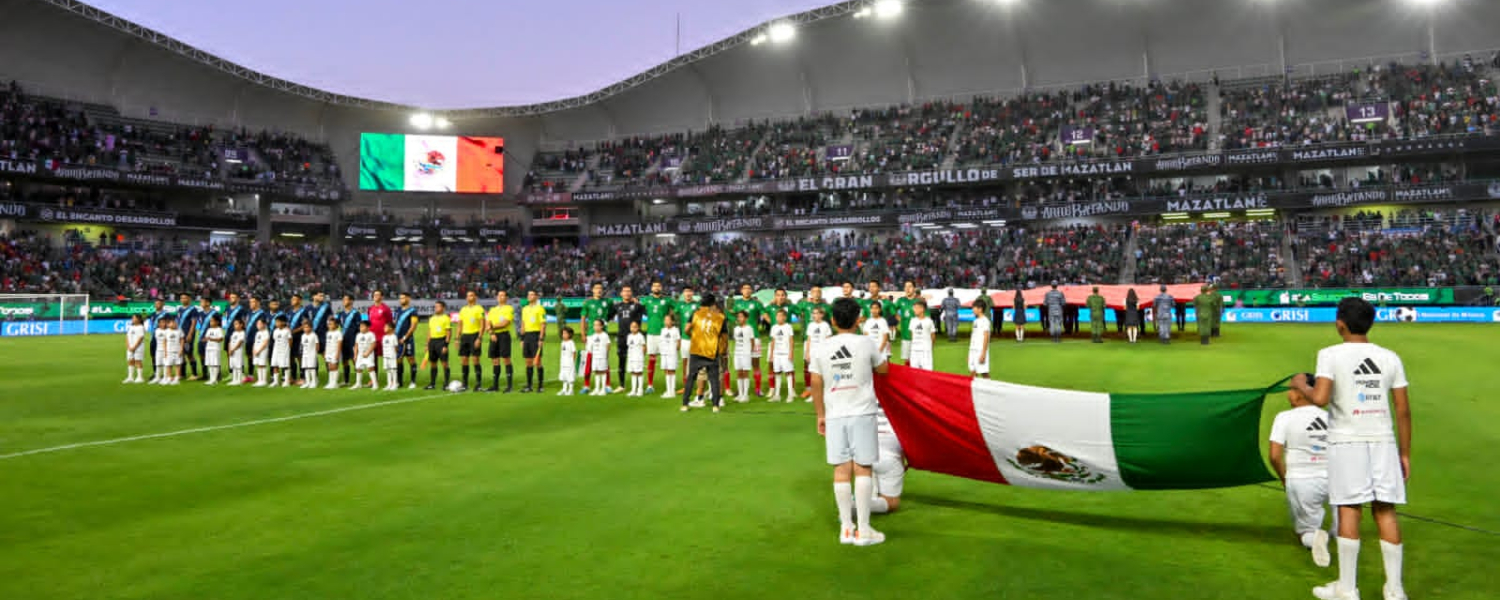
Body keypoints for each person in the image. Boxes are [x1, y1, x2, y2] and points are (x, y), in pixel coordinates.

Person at [1290, 298, 1411, 600]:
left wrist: (1300, 384)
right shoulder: (1389, 357)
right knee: (1385, 511)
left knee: (1349, 509)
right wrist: (1405, 453)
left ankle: (1347, 589)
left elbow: (1319, 398)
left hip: (1347, 441)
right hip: (1382, 440)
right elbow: (1403, 410)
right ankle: (1395, 591)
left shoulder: (1329, 354)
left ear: (1339, 323)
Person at [811, 297, 889, 546]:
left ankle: (846, 529)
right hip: (863, 411)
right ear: (859, 320)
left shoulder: (822, 347)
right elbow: (884, 369)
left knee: (841, 469)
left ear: (832, 321)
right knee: (863, 467)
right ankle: (864, 530)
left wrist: (820, 414)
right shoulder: (865, 343)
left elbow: (815, 381)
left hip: (835, 413)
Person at [1270, 373, 1335, 568]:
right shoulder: (1331, 417)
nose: (1287, 393)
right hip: (1335, 479)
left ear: (1299, 393)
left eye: (1290, 389)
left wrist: (1284, 478)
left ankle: (1314, 537)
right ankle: (1338, 534)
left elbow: (1274, 456)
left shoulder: (1284, 418)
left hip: (1302, 480)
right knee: (1345, 525)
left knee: (1304, 533)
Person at [681, 293, 728, 412]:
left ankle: (685, 404)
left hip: (697, 349)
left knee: (691, 377)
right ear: (713, 304)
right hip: (711, 351)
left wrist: (694, 337)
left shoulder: (696, 314)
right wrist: (722, 351)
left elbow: (686, 329)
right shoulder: (720, 317)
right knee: (714, 379)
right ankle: (715, 405)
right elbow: (724, 337)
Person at [729, 284, 766, 396]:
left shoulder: (757, 303)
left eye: (749, 288)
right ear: (741, 290)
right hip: (741, 338)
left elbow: (765, 315)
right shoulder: (737, 303)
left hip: (754, 337)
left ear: (752, 290)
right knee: (740, 365)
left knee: (755, 364)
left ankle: (758, 389)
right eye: (745, 288)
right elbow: (732, 314)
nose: (747, 290)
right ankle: (741, 389)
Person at [579, 283, 615, 395]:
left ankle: (607, 385)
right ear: (592, 290)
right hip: (591, 334)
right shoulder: (588, 303)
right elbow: (583, 318)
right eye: (596, 288)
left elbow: (614, 310)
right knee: (589, 360)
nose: (599, 290)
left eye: (600, 288)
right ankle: (586, 385)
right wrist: (583, 333)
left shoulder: (607, 302)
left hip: (604, 334)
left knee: (605, 359)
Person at [612, 286, 645, 394]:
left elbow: (647, 312)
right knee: (622, 361)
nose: (627, 293)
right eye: (624, 291)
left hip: (635, 338)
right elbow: (606, 316)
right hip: (622, 337)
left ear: (631, 293)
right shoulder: (617, 306)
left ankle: (638, 387)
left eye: (629, 291)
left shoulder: (637, 306)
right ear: (621, 293)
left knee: (637, 360)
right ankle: (622, 385)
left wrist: (638, 303)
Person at [641, 281, 673, 394]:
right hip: (651, 333)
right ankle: (650, 385)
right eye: (654, 286)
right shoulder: (646, 300)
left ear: (661, 287)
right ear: (651, 287)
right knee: (652, 359)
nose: (656, 287)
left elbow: (677, 308)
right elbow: (636, 304)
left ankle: (669, 385)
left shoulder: (667, 300)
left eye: (659, 285)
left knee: (667, 359)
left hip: (664, 333)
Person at [486, 290, 516, 393]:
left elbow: (505, 323)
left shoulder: (509, 308)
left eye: (503, 295)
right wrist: (491, 333)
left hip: (504, 335)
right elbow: (487, 322)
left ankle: (509, 386)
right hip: (493, 336)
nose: (500, 297)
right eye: (499, 295)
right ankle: (495, 386)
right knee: (495, 360)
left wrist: (491, 327)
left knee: (506, 359)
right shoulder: (492, 310)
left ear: (506, 298)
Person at [800, 306, 832, 400]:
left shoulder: (825, 325)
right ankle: (814, 394)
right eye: (813, 313)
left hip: (822, 353)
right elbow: (809, 340)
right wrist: (807, 352)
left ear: (822, 315)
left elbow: (828, 339)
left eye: (817, 313)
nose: (814, 315)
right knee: (814, 374)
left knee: (823, 374)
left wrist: (827, 352)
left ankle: (825, 394)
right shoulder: (811, 325)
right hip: (813, 353)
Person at [457, 291, 486, 392]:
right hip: (465, 336)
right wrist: (457, 338)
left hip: (474, 335)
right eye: (468, 295)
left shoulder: (479, 309)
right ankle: (465, 384)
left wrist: (479, 338)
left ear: (475, 297)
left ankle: (478, 384)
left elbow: (483, 325)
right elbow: (460, 325)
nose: (469, 297)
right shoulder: (463, 310)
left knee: (475, 359)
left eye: (472, 295)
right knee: (464, 360)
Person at [521, 290, 548, 393]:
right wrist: (522, 338)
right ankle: (529, 385)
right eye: (528, 294)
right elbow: (523, 324)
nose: (529, 296)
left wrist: (541, 338)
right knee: (528, 362)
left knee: (537, 361)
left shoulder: (540, 309)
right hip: (527, 336)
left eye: (532, 294)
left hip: (536, 335)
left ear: (536, 297)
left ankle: (540, 386)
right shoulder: (525, 309)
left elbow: (543, 324)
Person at [423, 301, 452, 390]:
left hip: (441, 341)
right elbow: (429, 332)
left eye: (438, 306)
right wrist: (427, 344)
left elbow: (449, 332)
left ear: (443, 308)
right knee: (433, 363)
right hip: (432, 342)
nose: (436, 308)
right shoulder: (432, 318)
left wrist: (446, 345)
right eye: (435, 306)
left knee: (444, 363)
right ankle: (432, 384)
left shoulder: (446, 318)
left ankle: (446, 383)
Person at [394, 293, 420, 389]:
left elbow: (413, 326)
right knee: (398, 360)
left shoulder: (412, 311)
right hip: (397, 339)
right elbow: (394, 323)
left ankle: (413, 381)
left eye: (403, 298)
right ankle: (399, 382)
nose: (401, 300)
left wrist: (405, 337)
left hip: (407, 340)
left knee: (410, 359)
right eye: (400, 298)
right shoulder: (397, 311)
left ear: (408, 299)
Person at [769, 309, 796, 402]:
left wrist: (791, 352)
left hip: (786, 354)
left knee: (788, 373)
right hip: (777, 354)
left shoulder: (788, 327)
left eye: (781, 316)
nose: (779, 318)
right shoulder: (774, 327)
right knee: (777, 373)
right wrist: (771, 354)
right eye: (777, 316)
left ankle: (790, 395)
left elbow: (791, 340)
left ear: (785, 317)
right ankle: (777, 395)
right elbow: (773, 341)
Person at [893, 282, 920, 365]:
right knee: (907, 360)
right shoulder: (901, 300)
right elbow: (892, 308)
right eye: (905, 287)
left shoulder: (919, 301)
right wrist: (897, 316)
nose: (907, 289)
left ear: (914, 289)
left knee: (919, 360)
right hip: (905, 335)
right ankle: (909, 377)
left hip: (918, 336)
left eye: (910, 286)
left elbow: (926, 317)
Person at [731, 311, 755, 402]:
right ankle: (740, 394)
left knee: (745, 373)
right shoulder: (736, 329)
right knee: (739, 373)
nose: (739, 318)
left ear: (746, 318)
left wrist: (750, 353)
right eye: (738, 317)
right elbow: (736, 340)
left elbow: (752, 341)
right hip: (737, 353)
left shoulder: (749, 328)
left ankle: (745, 395)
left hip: (746, 354)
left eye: (741, 317)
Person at [176, 294, 201, 381]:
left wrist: (190, 334)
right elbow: (178, 321)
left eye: (185, 298)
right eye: (181, 298)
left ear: (189, 299)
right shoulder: (179, 309)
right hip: (180, 334)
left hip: (187, 334)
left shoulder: (193, 309)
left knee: (189, 353)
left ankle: (194, 374)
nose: (183, 299)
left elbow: (194, 322)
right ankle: (182, 374)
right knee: (181, 353)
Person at [337, 295, 361, 384]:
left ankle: (358, 381)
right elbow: (338, 325)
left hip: (353, 340)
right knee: (344, 360)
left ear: (351, 301)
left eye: (345, 299)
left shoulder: (356, 313)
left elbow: (359, 328)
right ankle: (346, 381)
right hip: (344, 340)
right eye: (343, 299)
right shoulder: (341, 314)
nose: (343, 301)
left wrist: (357, 342)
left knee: (354, 360)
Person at [195, 297, 219, 381]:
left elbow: (218, 327)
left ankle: (217, 374)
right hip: (201, 338)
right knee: (202, 356)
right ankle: (205, 373)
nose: (200, 303)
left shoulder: (215, 314)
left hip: (211, 338)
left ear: (208, 303)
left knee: (213, 356)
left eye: (202, 302)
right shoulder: (200, 313)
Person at [907, 301, 935, 370]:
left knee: (927, 371)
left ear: (922, 309)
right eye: (914, 308)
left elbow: (933, 336)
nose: (914, 310)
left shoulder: (929, 321)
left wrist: (930, 347)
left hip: (925, 351)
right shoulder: (912, 321)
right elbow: (911, 335)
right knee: (914, 371)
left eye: (916, 308)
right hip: (914, 350)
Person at [587, 320, 612, 396]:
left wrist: (606, 354)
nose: (596, 327)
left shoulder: (605, 335)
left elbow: (608, 344)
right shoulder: (593, 336)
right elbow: (590, 347)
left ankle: (603, 389)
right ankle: (597, 388)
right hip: (595, 357)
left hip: (602, 356)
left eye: (598, 325)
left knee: (603, 372)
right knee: (597, 372)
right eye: (594, 325)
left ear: (602, 326)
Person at [658, 314, 681, 399]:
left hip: (672, 353)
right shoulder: (663, 330)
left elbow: (678, 341)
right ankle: (668, 390)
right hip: (664, 353)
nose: (666, 322)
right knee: (666, 370)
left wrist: (675, 349)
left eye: (668, 320)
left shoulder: (675, 330)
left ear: (672, 321)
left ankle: (672, 390)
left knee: (672, 370)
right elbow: (661, 341)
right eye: (665, 320)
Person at [969, 299, 991, 378]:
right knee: (973, 372)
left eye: (974, 308)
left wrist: (983, 353)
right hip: (973, 350)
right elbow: (973, 336)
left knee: (984, 373)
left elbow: (986, 337)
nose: (972, 310)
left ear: (980, 309)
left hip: (980, 350)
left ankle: (990, 389)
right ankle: (973, 389)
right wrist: (970, 352)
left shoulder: (985, 321)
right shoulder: (975, 321)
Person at [624, 321, 647, 397]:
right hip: (631, 357)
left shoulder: (640, 336)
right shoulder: (629, 336)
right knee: (633, 372)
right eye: (632, 327)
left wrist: (642, 356)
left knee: (639, 372)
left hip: (638, 357)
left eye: (635, 327)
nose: (633, 328)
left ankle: (640, 389)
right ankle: (633, 390)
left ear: (638, 328)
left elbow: (644, 347)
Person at [353, 321, 378, 390]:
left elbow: (373, 344)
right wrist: (355, 355)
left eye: (362, 326)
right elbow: (356, 345)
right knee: (358, 368)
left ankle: (375, 384)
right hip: (360, 354)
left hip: (368, 354)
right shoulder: (358, 335)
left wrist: (368, 352)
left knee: (370, 368)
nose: (361, 328)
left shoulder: (371, 334)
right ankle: (358, 383)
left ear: (368, 327)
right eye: (360, 327)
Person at [148, 298, 168, 382]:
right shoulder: (152, 314)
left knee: (163, 356)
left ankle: (165, 373)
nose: (157, 305)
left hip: (162, 338)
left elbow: (169, 325)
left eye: (159, 303)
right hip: (153, 338)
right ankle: (156, 373)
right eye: (156, 303)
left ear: (163, 304)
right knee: (153, 356)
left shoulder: (166, 314)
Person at [270, 316, 293, 388]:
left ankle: (286, 381)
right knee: (275, 365)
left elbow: (290, 341)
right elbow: (275, 340)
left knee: (285, 365)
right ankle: (276, 381)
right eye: (276, 322)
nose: (276, 323)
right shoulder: (275, 331)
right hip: (276, 350)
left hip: (284, 350)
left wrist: (288, 349)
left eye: (278, 322)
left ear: (283, 322)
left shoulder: (287, 331)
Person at [161, 316, 183, 385]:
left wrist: (181, 349)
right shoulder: (166, 331)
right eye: (172, 323)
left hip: (177, 351)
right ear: (168, 324)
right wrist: (165, 351)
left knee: (178, 364)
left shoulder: (179, 330)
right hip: (169, 351)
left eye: (175, 322)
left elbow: (182, 340)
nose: (174, 324)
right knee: (168, 365)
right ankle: (169, 378)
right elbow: (164, 341)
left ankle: (177, 378)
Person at [125, 314, 147, 384]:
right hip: (130, 347)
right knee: (130, 361)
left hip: (138, 347)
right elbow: (127, 337)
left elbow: (140, 338)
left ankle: (140, 377)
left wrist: (134, 347)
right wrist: (128, 346)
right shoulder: (131, 327)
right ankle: (130, 377)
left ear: (139, 319)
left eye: (134, 318)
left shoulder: (141, 327)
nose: (133, 319)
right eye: (132, 318)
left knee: (138, 361)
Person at [203, 315, 225, 385]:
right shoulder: (209, 329)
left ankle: (215, 379)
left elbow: (221, 339)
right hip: (208, 348)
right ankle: (211, 379)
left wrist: (211, 339)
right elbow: (207, 338)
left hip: (215, 349)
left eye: (212, 321)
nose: (211, 322)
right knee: (210, 364)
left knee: (215, 364)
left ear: (217, 322)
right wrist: (204, 340)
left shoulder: (219, 329)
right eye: (210, 321)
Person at [297, 321, 319, 389]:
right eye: (304, 327)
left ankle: (314, 382)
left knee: (312, 368)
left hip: (311, 354)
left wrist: (315, 353)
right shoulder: (303, 336)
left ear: (311, 328)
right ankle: (308, 382)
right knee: (306, 368)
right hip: (305, 354)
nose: (305, 329)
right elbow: (302, 345)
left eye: (307, 327)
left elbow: (317, 345)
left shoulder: (314, 335)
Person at [557, 327, 578, 396]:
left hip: (569, 362)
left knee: (570, 376)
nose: (564, 335)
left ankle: (571, 390)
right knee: (564, 375)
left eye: (565, 333)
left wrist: (572, 361)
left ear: (570, 334)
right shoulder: (562, 342)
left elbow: (574, 352)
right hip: (563, 362)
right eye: (563, 333)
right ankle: (564, 389)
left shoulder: (571, 343)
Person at [323, 317, 343, 389]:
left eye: (331, 324)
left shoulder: (338, 333)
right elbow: (327, 343)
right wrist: (325, 352)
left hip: (335, 352)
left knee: (334, 367)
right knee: (330, 367)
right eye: (329, 324)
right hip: (329, 352)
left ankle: (335, 383)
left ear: (336, 325)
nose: (329, 326)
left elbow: (339, 343)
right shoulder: (328, 333)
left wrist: (338, 353)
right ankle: (330, 382)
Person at [251, 318, 271, 387]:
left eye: (259, 324)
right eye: (257, 324)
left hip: (262, 351)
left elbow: (265, 343)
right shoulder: (257, 333)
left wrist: (259, 350)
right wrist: (254, 350)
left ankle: (264, 380)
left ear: (264, 324)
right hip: (256, 351)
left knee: (262, 364)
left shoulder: (266, 332)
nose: (258, 325)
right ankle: (259, 380)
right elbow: (255, 342)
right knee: (258, 365)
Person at [227, 319, 246, 387]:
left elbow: (240, 342)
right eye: (234, 324)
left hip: (238, 351)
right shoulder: (234, 333)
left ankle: (239, 379)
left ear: (241, 325)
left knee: (238, 365)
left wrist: (233, 349)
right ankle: (234, 379)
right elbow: (230, 342)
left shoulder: (242, 333)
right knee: (233, 365)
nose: (235, 326)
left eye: (237, 324)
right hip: (232, 351)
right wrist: (229, 350)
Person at [380, 322, 399, 391]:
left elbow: (396, 347)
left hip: (392, 356)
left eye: (386, 327)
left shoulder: (394, 337)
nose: (384, 328)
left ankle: (394, 384)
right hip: (385, 356)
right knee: (387, 370)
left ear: (391, 328)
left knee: (393, 370)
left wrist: (394, 354)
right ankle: (389, 384)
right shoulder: (384, 337)